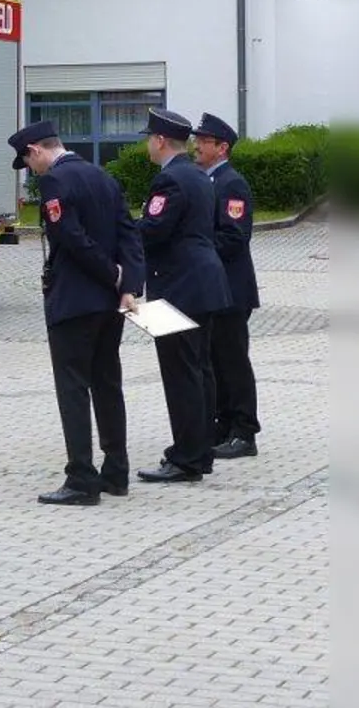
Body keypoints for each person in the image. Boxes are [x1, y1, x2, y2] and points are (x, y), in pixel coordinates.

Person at [10, 121, 144, 505]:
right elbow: (129, 234)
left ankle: (82, 478)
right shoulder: (103, 176)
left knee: (73, 388)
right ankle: (116, 471)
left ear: (36, 150)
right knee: (107, 383)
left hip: (74, 301)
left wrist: (111, 274)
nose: (31, 172)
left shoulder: (55, 181)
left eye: (27, 162)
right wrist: (127, 283)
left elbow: (71, 239)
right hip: (109, 303)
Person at [134, 108, 231, 484]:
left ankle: (186, 458)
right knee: (200, 370)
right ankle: (200, 451)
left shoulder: (171, 180)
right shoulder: (197, 174)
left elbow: (154, 230)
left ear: (160, 141)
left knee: (181, 374)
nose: (147, 144)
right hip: (202, 284)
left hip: (178, 287)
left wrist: (126, 229)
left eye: (149, 138)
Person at [192, 114, 261, 460]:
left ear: (222, 148)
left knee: (232, 361)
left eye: (204, 142)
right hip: (213, 289)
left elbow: (233, 237)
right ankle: (222, 425)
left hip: (232, 290)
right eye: (197, 140)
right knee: (215, 360)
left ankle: (244, 431)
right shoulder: (206, 181)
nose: (197, 146)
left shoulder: (231, 184)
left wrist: (195, 254)